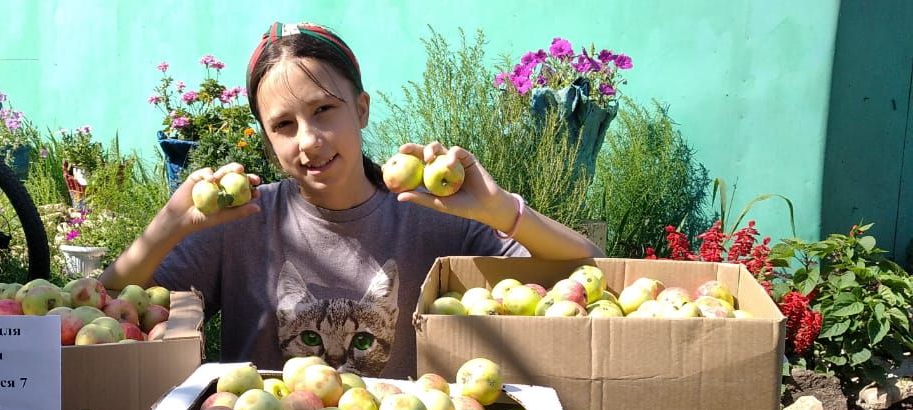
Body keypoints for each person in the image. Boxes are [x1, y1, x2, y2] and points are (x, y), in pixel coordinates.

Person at [101, 21, 603, 379]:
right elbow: (106, 306)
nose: (309, 140)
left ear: (361, 110)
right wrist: (169, 224)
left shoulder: (431, 218)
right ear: (266, 138)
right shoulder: (244, 222)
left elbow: (585, 269)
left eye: (324, 111)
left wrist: (500, 211)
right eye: (283, 125)